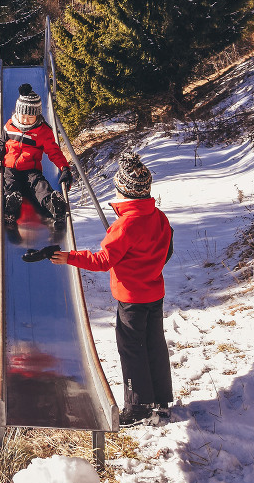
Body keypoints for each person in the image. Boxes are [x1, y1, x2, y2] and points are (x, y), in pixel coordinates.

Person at [51, 148, 174, 426]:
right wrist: (150, 268)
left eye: (118, 190)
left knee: (131, 349)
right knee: (154, 345)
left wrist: (70, 257)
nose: (115, 194)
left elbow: (102, 260)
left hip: (131, 299)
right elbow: (167, 248)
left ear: (126, 193)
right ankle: (161, 401)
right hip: (154, 293)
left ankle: (138, 406)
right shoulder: (159, 217)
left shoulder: (126, 225)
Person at [0, 82, 73, 227]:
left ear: (37, 115)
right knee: (10, 185)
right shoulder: (10, 125)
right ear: (17, 112)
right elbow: (1, 144)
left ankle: (54, 205)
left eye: (30, 117)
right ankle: (11, 208)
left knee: (40, 186)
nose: (25, 120)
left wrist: (64, 168)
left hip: (31, 170)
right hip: (10, 168)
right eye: (22, 116)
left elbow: (54, 151)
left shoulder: (43, 131)